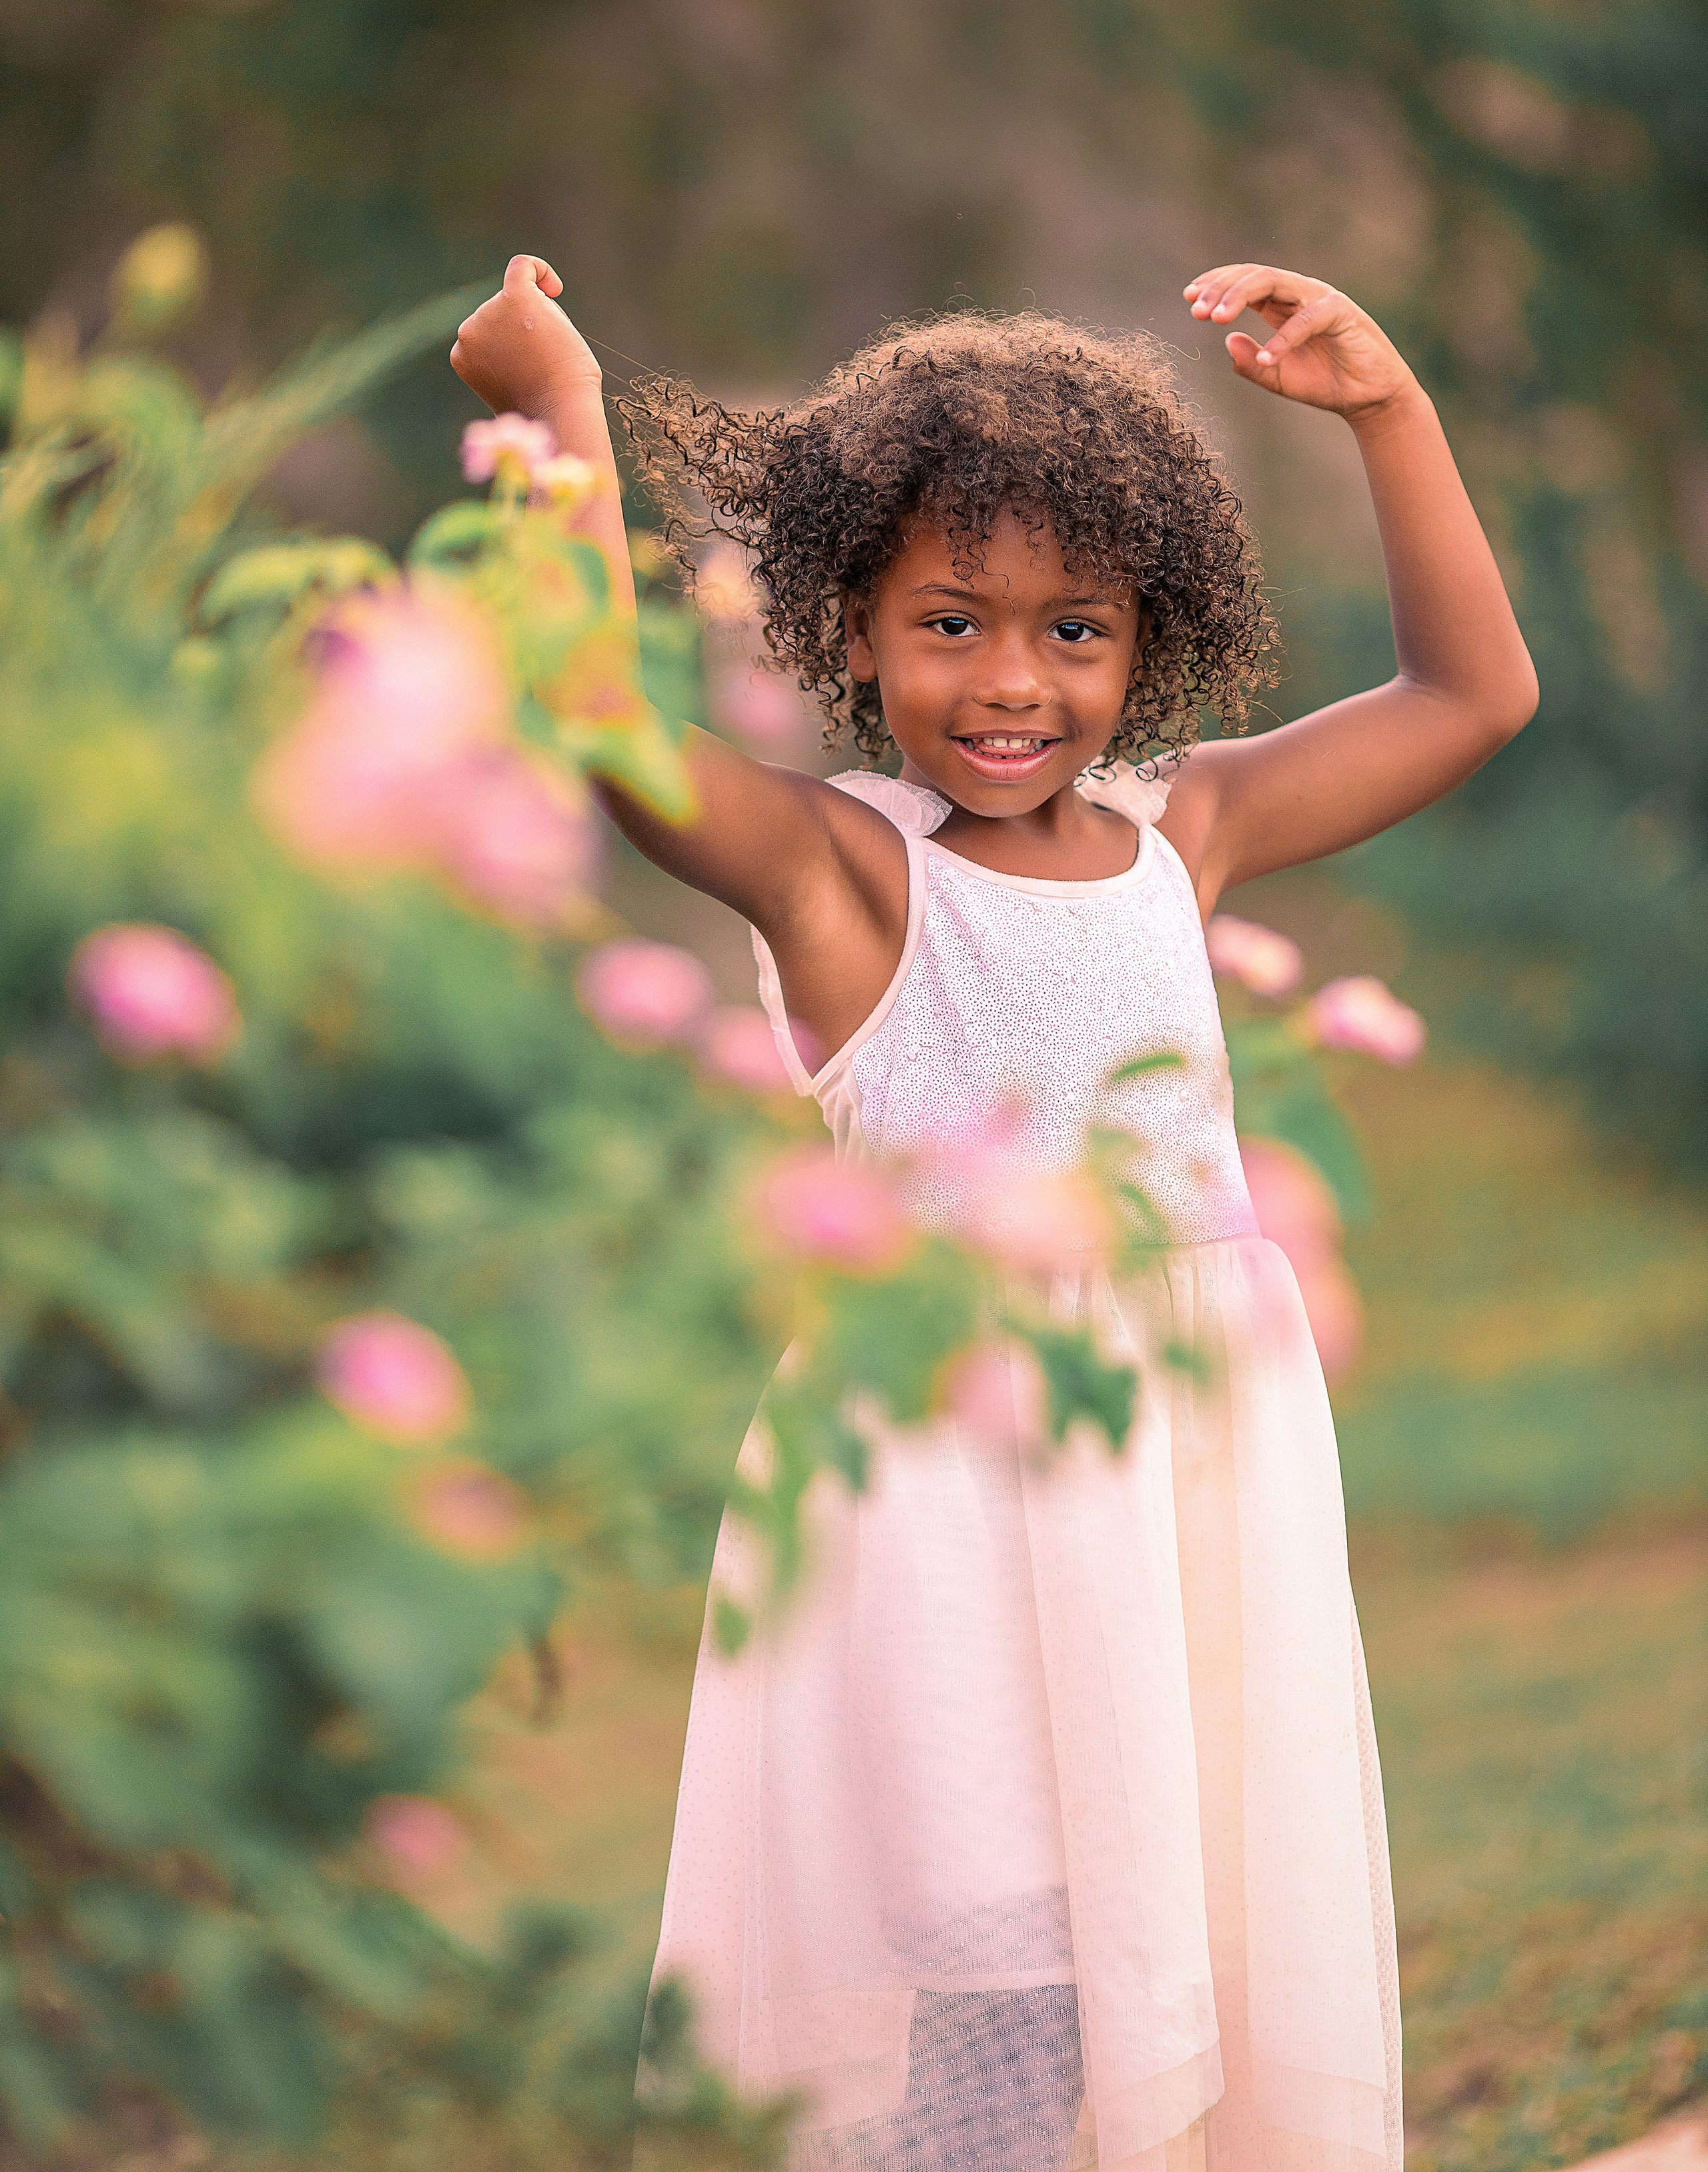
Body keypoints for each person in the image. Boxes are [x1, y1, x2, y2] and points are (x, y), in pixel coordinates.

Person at [450, 258, 1538, 2172]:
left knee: (1182, 1938)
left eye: (1074, 630)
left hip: (1187, 1500)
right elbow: (598, 724)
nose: (1016, 680)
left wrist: (1390, 409)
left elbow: (1474, 694)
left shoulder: (1187, 837)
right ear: (853, 631)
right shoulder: (846, 875)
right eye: (950, 622)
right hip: (948, 1515)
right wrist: (561, 411)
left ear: (1149, 640)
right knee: (1011, 1968)